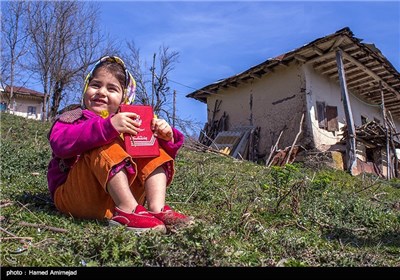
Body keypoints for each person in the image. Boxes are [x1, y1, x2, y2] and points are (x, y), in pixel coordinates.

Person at [47, 55, 192, 233]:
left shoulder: (132, 122)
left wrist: (164, 137)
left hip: (115, 200)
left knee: (147, 143)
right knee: (100, 140)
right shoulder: (73, 116)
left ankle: (157, 210)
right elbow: (59, 144)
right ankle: (127, 209)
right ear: (86, 88)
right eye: (95, 85)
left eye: (112, 88)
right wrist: (108, 126)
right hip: (76, 196)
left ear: (124, 98)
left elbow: (156, 159)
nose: (101, 92)